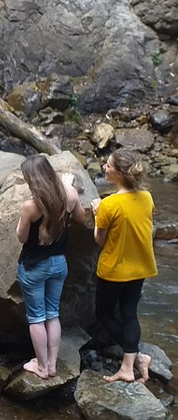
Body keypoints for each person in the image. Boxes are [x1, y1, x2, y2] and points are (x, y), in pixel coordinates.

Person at [15, 155, 85, 379]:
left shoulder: (31, 207)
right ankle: (52, 365)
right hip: (59, 264)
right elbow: (81, 218)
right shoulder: (69, 194)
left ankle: (42, 367)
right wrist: (66, 185)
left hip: (34, 266)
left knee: (36, 317)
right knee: (52, 314)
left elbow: (22, 238)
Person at [91, 148, 156, 383]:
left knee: (104, 312)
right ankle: (135, 360)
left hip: (114, 269)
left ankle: (130, 365)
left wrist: (96, 214)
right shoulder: (147, 197)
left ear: (118, 173)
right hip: (140, 267)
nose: (104, 168)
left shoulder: (109, 204)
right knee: (129, 313)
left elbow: (99, 239)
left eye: (108, 165)